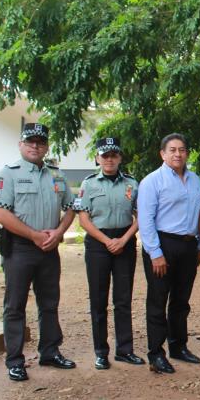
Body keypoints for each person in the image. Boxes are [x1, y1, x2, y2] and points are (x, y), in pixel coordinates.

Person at [0, 122, 76, 381]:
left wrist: (59, 232)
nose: (35, 146)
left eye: (40, 142)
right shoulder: (9, 174)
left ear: (46, 146)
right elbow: (1, 213)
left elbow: (71, 207)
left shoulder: (56, 176)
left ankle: (50, 351)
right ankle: (15, 360)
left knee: (49, 303)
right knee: (15, 306)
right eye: (30, 142)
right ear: (21, 145)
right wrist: (34, 235)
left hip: (49, 249)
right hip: (19, 249)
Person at [74, 137, 145, 370]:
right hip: (98, 244)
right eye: (105, 155)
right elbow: (83, 219)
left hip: (124, 242)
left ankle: (125, 350)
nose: (109, 159)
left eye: (114, 155)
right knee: (98, 300)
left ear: (120, 158)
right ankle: (101, 352)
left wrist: (123, 239)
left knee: (123, 299)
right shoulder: (89, 184)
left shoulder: (132, 184)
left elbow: (140, 216)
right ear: (98, 158)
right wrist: (107, 241)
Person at [138, 133, 200, 374]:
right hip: (162, 245)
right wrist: (155, 253)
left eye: (182, 150)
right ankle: (156, 353)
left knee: (181, 300)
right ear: (162, 154)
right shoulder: (151, 182)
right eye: (172, 150)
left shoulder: (196, 180)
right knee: (157, 301)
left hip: (187, 247)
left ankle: (178, 346)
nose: (178, 154)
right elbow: (145, 220)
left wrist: (198, 245)